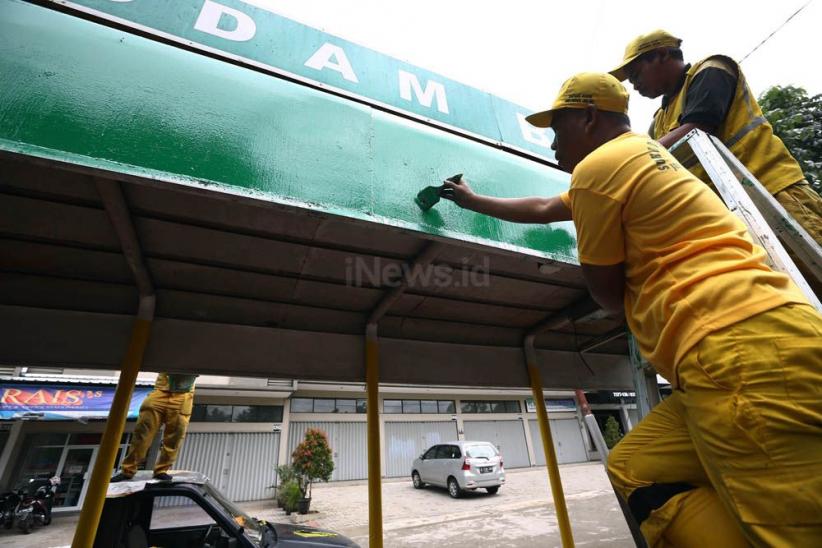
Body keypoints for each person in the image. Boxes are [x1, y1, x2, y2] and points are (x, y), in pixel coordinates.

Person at [440, 72, 822, 546]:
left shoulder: (598, 168)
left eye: (558, 130)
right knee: (636, 466)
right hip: (764, 334)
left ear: (588, 117)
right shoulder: (643, 156)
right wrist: (473, 201)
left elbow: (605, 291)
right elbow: (543, 206)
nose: (553, 144)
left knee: (793, 532)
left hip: (732, 348)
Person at [609, 29, 822, 248]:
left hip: (773, 191)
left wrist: (630, 157)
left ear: (662, 54)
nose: (635, 85)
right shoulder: (659, 122)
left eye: (636, 74)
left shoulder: (711, 70)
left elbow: (698, 127)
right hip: (734, 214)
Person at [111, 372, 198, 482]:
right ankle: (127, 470)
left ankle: (161, 470)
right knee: (142, 434)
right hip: (161, 391)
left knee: (174, 438)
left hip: (183, 395)